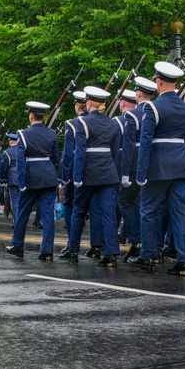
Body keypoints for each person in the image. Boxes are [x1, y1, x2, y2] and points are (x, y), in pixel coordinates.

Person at [126, 62, 185, 276]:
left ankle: (149, 255)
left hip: (158, 167)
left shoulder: (152, 108)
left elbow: (146, 143)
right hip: (182, 166)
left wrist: (141, 173)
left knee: (148, 210)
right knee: (181, 212)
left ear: (158, 82)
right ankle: (184, 260)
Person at [61, 86, 122, 266]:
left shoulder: (82, 123)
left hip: (88, 173)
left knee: (79, 211)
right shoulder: (113, 123)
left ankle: (73, 249)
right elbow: (115, 152)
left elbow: (80, 152)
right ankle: (110, 253)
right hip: (109, 173)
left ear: (88, 103)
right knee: (109, 213)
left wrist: (77, 177)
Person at [5, 101, 59, 261]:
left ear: (30, 116)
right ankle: (47, 250)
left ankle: (18, 245)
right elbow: (55, 157)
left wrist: (21, 182)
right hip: (48, 176)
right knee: (47, 215)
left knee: (22, 213)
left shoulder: (23, 134)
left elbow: (21, 161)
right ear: (43, 117)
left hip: (30, 178)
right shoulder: (52, 133)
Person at [119, 81, 154, 262]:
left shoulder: (132, 115)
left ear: (138, 95)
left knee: (124, 200)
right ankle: (149, 244)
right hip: (154, 162)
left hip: (134, 165)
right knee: (144, 204)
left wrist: (125, 172)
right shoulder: (156, 110)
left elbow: (128, 146)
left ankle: (136, 240)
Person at [59, 91, 88, 240]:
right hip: (92, 170)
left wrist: (63, 177)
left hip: (73, 170)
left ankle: (72, 240)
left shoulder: (71, 123)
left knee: (70, 204)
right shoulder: (97, 121)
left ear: (77, 107)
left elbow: (68, 153)